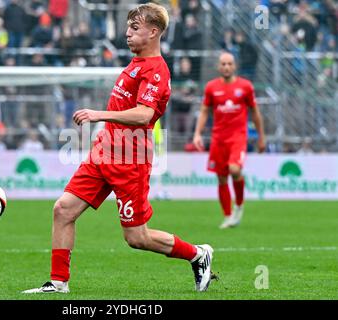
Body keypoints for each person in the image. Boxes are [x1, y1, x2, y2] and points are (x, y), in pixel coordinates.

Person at [23, 3, 215, 294]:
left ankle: (198, 254)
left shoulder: (157, 72)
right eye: (128, 27)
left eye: (134, 28)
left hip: (130, 159)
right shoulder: (135, 63)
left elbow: (144, 114)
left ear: (153, 32)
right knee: (63, 210)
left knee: (136, 238)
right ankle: (58, 282)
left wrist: (98, 115)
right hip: (103, 152)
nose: (127, 33)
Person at [192, 52, 266, 229]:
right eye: (223, 64)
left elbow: (255, 113)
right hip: (218, 138)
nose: (226, 67)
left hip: (238, 136)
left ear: (235, 66)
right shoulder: (211, 87)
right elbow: (204, 111)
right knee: (221, 178)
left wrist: (262, 136)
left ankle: (239, 205)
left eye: (229, 64)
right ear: (219, 67)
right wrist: (197, 134)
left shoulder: (245, 87)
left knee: (234, 169)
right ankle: (228, 216)